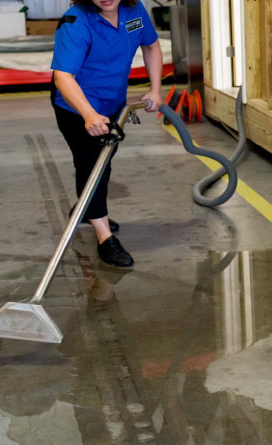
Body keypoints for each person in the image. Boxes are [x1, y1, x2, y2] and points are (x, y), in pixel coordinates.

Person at [51, 0, 163, 267]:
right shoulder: (75, 22)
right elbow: (63, 77)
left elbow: (151, 45)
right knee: (92, 164)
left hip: (114, 103)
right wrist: (88, 114)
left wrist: (155, 89)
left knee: (104, 161)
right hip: (77, 107)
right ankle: (104, 237)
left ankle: (88, 208)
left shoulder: (134, 12)